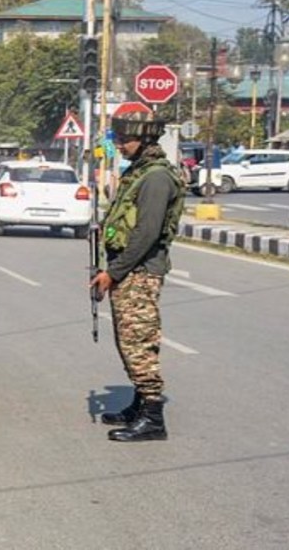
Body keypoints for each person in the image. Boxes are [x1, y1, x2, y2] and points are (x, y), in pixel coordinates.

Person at [90, 112, 186, 442]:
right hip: (129, 271)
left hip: (140, 272)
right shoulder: (139, 172)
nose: (118, 145)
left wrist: (112, 273)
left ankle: (153, 417)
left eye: (123, 140)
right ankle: (138, 405)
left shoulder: (157, 178)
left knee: (139, 343)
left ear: (144, 139)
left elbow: (146, 234)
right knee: (127, 341)